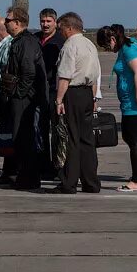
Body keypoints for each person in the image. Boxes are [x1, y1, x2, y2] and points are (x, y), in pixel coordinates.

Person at [97, 24, 137, 192]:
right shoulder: (129, 45)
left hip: (133, 103)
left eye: (106, 45)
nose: (107, 49)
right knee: (131, 138)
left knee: (133, 139)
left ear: (113, 39)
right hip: (130, 102)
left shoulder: (128, 49)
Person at [52, 13, 101, 195]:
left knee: (71, 137)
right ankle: (91, 182)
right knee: (87, 139)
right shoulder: (90, 44)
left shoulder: (70, 46)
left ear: (69, 28)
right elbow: (95, 76)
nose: (60, 32)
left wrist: (59, 100)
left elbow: (65, 76)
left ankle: (69, 182)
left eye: (61, 28)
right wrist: (93, 98)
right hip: (88, 93)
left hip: (72, 92)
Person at [0, 7, 45, 189]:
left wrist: (19, 94)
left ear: (18, 23)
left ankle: (28, 178)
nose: (5, 23)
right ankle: (25, 176)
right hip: (22, 96)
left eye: (8, 20)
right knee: (20, 138)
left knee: (24, 138)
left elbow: (28, 71)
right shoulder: (20, 41)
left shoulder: (25, 42)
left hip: (25, 99)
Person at [36, 7, 64, 176]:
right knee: (40, 129)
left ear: (55, 22)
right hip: (38, 89)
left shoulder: (60, 41)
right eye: (43, 21)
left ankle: (58, 165)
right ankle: (43, 164)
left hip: (54, 89)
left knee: (57, 130)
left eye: (48, 21)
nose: (45, 24)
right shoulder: (35, 39)